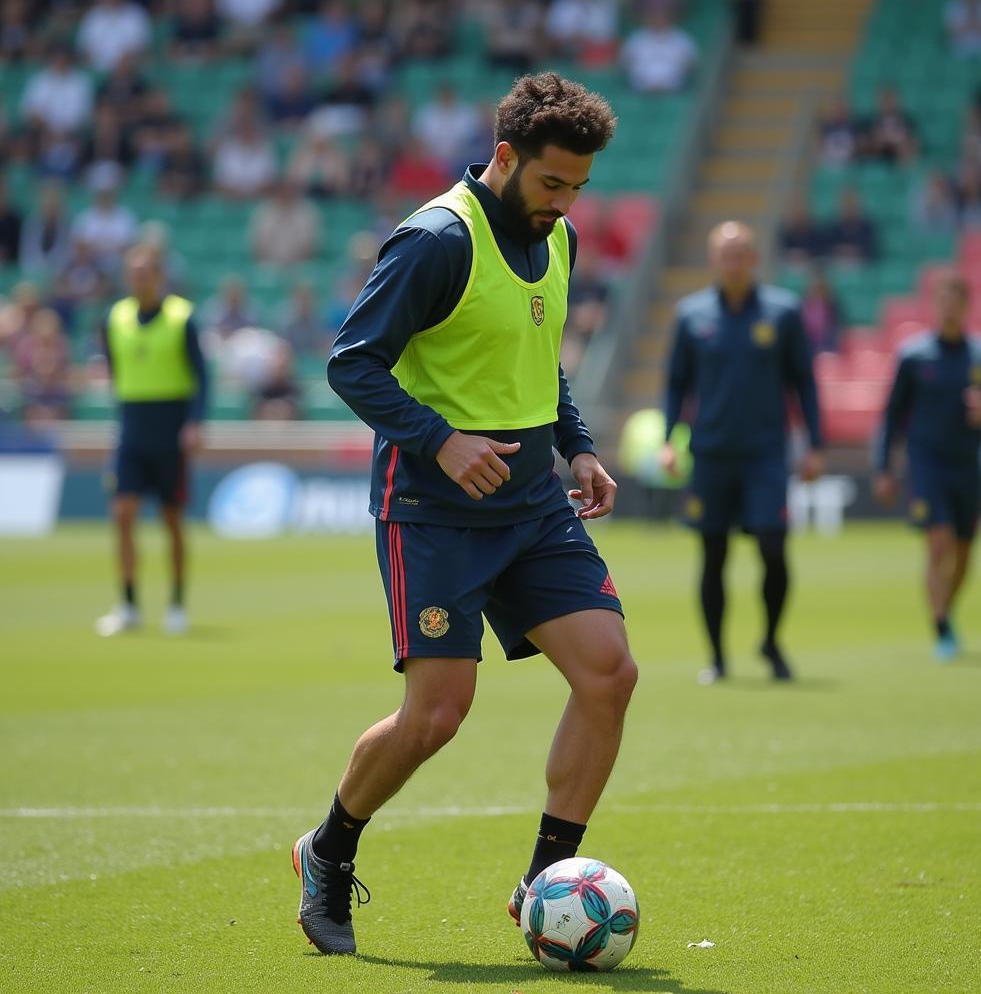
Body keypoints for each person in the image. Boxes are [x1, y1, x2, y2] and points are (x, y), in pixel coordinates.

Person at [297, 72, 634, 957]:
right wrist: (442, 439)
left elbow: (538, 357)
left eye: (579, 190)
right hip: (433, 509)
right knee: (438, 716)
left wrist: (581, 445)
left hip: (532, 504)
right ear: (506, 156)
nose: (564, 205)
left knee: (609, 674)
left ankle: (541, 887)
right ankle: (328, 852)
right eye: (553, 184)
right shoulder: (435, 239)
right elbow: (353, 364)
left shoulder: (553, 239)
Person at [660, 221, 824, 685]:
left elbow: (804, 383)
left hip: (765, 456)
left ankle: (771, 640)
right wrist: (669, 440)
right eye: (725, 254)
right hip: (710, 454)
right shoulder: (691, 316)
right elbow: (677, 384)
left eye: (741, 253)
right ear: (714, 260)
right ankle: (717, 657)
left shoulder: (783, 313)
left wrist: (814, 444)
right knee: (713, 555)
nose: (733, 261)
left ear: (754, 258)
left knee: (773, 547)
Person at [873, 269, 981, 660]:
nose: (950, 310)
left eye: (957, 303)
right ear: (934, 306)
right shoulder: (914, 356)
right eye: (943, 302)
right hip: (927, 464)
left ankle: (946, 611)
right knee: (939, 543)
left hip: (967, 463)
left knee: (966, 552)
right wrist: (884, 468)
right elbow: (891, 416)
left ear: (967, 306)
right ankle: (941, 626)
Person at [95, 243, 207, 638]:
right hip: (131, 428)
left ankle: (176, 604)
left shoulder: (182, 317)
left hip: (169, 428)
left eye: (146, 273)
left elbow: (200, 375)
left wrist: (194, 423)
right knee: (122, 514)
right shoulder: (116, 317)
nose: (139, 280)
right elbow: (114, 369)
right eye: (134, 273)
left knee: (171, 519)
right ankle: (127, 604)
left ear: (159, 276)